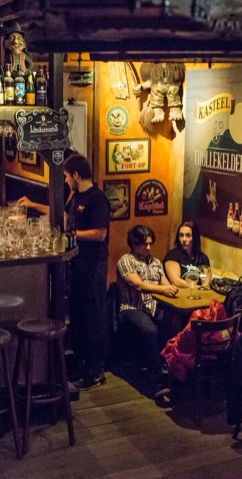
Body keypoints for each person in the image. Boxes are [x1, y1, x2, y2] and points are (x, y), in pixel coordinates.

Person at [61, 155, 111, 390]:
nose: (66, 180)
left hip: (93, 264)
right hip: (77, 262)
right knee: (78, 314)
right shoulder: (76, 196)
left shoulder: (97, 199)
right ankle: (81, 363)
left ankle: (96, 370)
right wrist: (32, 205)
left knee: (93, 315)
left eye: (67, 176)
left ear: (76, 175)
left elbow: (100, 233)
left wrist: (74, 235)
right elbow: (63, 217)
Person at [116, 225, 178, 398]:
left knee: (175, 324)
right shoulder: (126, 260)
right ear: (134, 243)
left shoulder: (156, 262)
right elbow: (139, 285)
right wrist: (162, 290)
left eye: (150, 243)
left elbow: (165, 284)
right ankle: (157, 384)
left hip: (153, 306)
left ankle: (175, 374)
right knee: (150, 331)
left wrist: (173, 288)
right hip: (132, 308)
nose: (148, 247)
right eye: (144, 244)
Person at [163, 221, 211, 288]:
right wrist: (198, 288)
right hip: (180, 294)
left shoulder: (203, 258)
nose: (184, 239)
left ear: (195, 237)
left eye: (188, 235)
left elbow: (206, 282)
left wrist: (201, 291)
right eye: (181, 235)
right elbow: (176, 282)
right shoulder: (172, 255)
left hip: (198, 295)